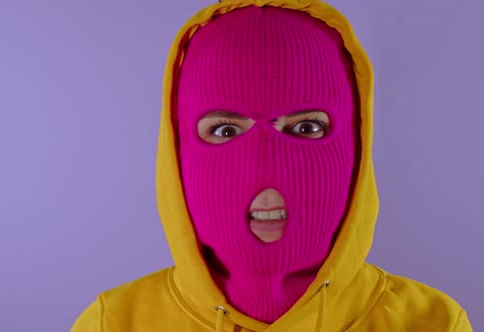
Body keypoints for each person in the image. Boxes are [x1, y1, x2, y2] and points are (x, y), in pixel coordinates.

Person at [71, 0, 472, 331]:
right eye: (226, 131)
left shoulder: (432, 322)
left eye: (306, 126)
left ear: (355, 146)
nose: (265, 163)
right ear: (178, 151)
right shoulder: (114, 323)